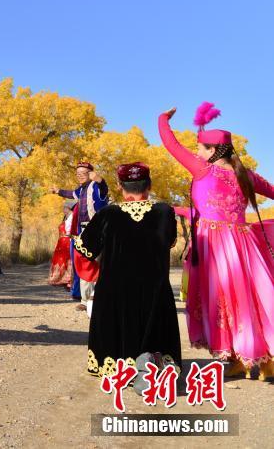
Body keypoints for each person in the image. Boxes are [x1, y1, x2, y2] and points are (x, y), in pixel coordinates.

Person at [159, 103, 274, 379]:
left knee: (223, 298)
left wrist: (163, 118)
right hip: (243, 244)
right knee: (249, 298)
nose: (197, 152)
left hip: (214, 246)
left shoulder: (203, 169)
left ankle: (243, 357)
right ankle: (255, 360)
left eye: (200, 148)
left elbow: (170, 143)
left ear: (212, 151)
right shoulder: (246, 174)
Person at [77, 163, 181, 383]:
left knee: (113, 314)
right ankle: (155, 366)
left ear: (119, 185)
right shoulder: (164, 212)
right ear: (149, 185)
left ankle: (118, 367)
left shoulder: (108, 214)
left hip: (115, 290)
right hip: (154, 290)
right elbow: (170, 241)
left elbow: (85, 249)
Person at [51, 161, 109, 309]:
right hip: (83, 231)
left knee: (98, 263)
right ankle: (85, 300)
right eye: (78, 174)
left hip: (97, 230)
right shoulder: (81, 190)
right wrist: (58, 191)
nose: (80, 176)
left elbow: (104, 190)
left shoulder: (96, 187)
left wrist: (100, 180)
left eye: (83, 173)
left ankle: (99, 298)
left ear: (91, 174)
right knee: (84, 263)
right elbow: (71, 193)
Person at [48, 202, 75, 288]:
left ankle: (68, 280)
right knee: (61, 259)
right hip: (61, 241)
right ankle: (60, 278)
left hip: (67, 241)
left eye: (64, 208)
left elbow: (71, 231)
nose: (63, 210)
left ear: (69, 208)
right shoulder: (66, 218)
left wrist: (69, 237)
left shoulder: (72, 217)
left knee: (67, 259)